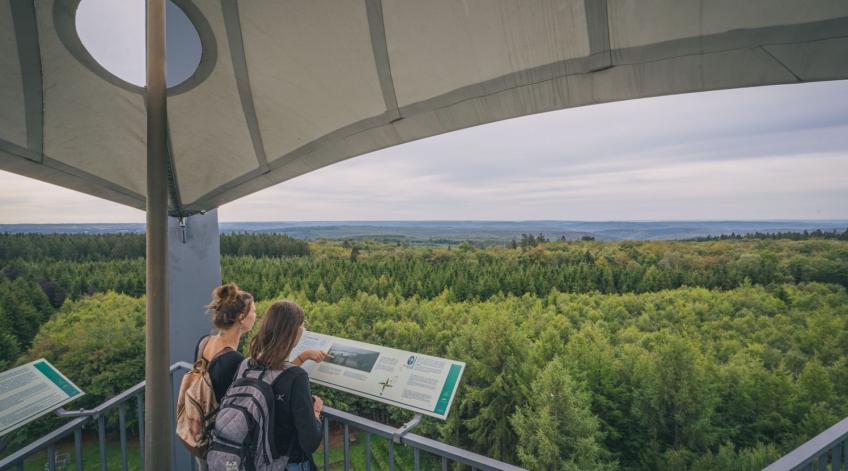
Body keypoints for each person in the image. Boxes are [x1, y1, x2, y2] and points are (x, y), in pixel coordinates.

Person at [246, 300, 329, 471]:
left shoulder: (248, 364)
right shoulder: (297, 377)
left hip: (256, 458)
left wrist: (301, 358)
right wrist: (315, 413)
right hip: (289, 462)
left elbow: (276, 376)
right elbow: (310, 441)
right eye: (303, 324)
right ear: (295, 332)